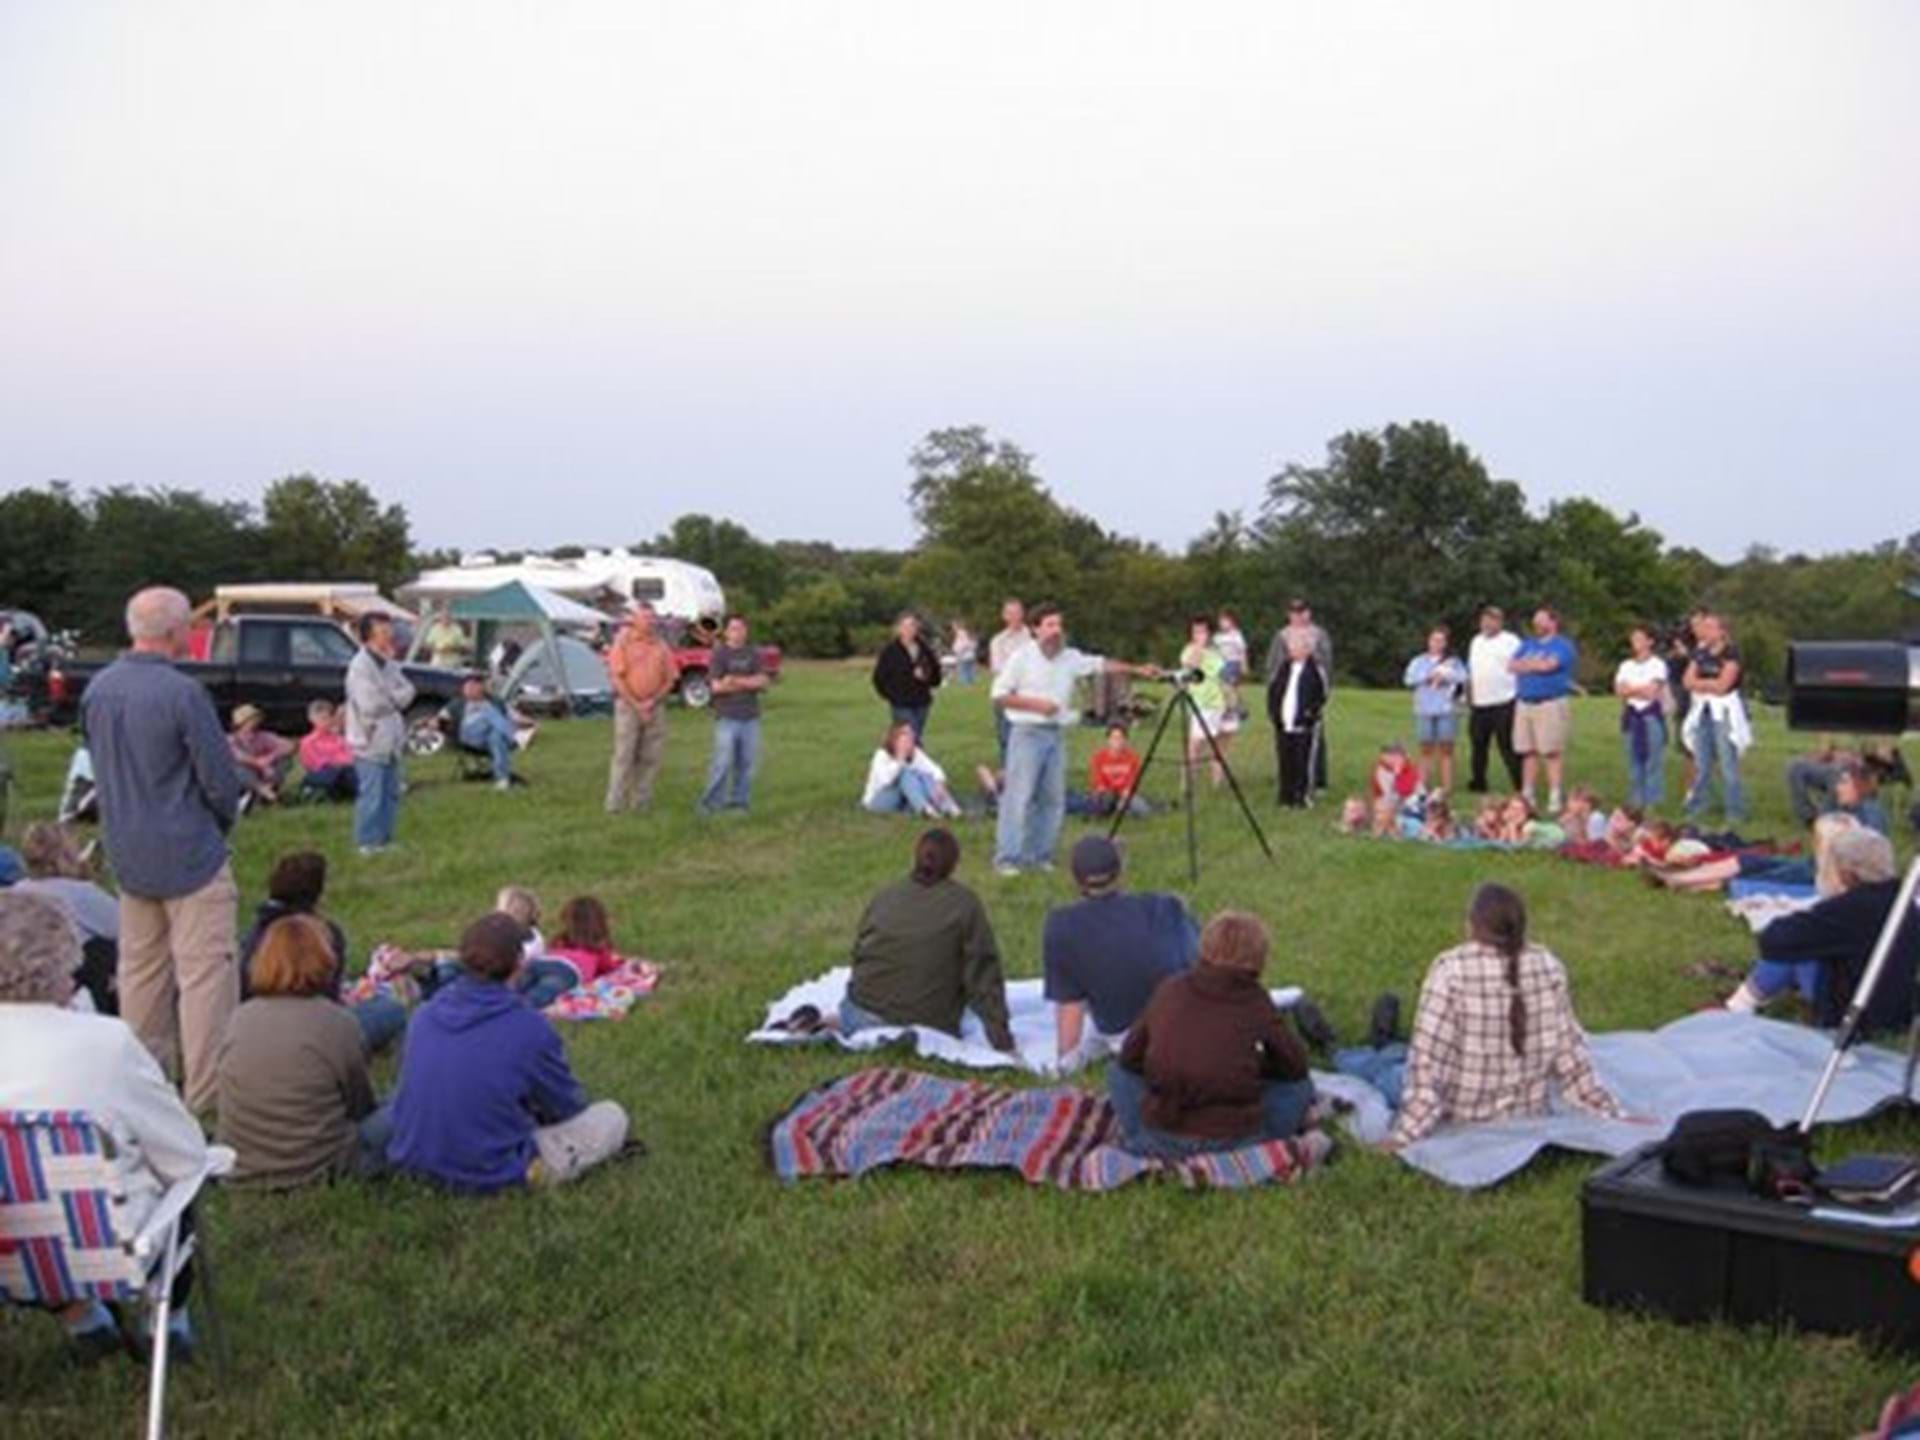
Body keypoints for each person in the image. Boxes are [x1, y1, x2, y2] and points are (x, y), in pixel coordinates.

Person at [0, 891, 211, 1362]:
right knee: (182, 1185)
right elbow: (184, 1154)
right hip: (113, 1250)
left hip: (7, 1254)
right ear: (60, 963)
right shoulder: (105, 1042)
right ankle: (168, 1324)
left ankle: (84, 1320)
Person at [80, 585, 243, 1115]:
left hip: (129, 850)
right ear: (176, 632)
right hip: (189, 853)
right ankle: (205, 1096)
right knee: (204, 978)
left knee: (141, 976)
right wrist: (221, 825)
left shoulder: (98, 690)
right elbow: (218, 778)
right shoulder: (181, 694)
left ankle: (144, 1089)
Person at [1338, 884, 1623, 1149]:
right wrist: (1606, 1109)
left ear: (1471, 925)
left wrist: (1403, 1135)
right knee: (1403, 1056)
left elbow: (1428, 1063)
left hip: (1462, 1107)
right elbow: (1569, 1051)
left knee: (1384, 1071)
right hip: (1525, 1106)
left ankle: (1337, 1046)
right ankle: (1385, 1040)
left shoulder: (1451, 970)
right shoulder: (1548, 964)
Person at [388, 911, 631, 1193]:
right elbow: (566, 1106)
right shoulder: (529, 1026)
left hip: (411, 1160)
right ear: (519, 964)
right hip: (490, 1173)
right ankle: (531, 1170)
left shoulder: (423, 1015)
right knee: (612, 1116)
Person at [1108, 910, 1315, 1157]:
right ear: (1259, 958)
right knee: (1300, 1087)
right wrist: (1256, 1066)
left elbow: (1130, 1058)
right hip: (1235, 1141)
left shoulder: (1170, 988)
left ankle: (1141, 1139)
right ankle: (1258, 1149)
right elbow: (1295, 1067)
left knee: (1118, 1072)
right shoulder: (1255, 1002)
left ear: (1203, 948)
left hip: (1163, 1131)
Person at [217, 913, 388, 1188]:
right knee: (404, 1109)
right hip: (316, 1167)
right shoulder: (337, 1022)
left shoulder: (239, 1018)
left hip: (242, 1166)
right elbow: (360, 1106)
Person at [991, 605, 1150, 876]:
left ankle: (1039, 855)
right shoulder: (1022, 658)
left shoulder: (1069, 657)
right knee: (1019, 798)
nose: (1056, 631)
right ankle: (1007, 858)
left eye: (1059, 625)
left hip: (1056, 734)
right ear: (1036, 629)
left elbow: (1101, 664)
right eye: (1050, 625)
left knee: (1053, 799)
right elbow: (999, 695)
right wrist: (1036, 705)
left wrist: (1137, 669)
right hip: (1027, 733)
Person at [1721, 828, 1916, 1031]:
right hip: (1901, 1008)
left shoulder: (1847, 910)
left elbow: (1773, 941)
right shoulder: (1905, 899)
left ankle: (1740, 1004)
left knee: (1796, 945)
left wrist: (1821, 905)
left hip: (1855, 1014)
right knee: (1805, 938)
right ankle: (1741, 1002)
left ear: (1846, 872)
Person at [836, 828, 1014, 1051]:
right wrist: (1001, 1037)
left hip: (860, 1017)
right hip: (930, 1026)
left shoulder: (885, 896)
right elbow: (983, 973)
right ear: (953, 864)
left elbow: (860, 953)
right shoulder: (964, 904)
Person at [1043, 835, 1196, 1069]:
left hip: (1127, 1034)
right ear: (1121, 871)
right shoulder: (1165, 906)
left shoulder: (1062, 926)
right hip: (1187, 1020)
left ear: (1075, 879)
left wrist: (1065, 1062)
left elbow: (1070, 1005)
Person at [237, 851, 407, 1052]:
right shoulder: (325, 934)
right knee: (391, 1008)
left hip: (258, 1031)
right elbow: (329, 1000)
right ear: (318, 893)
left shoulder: (251, 935)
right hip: (315, 1034)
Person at [13, 821, 120, 1013]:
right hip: (71, 978)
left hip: (24, 974)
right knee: (105, 950)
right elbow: (124, 927)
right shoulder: (81, 893)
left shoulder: (18, 891)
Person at [345, 611, 416, 854]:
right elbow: (370, 704)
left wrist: (392, 696)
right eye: (382, 631)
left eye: (389, 629)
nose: (389, 634)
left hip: (392, 738)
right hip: (370, 738)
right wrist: (395, 698)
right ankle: (366, 842)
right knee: (372, 794)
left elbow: (409, 691)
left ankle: (385, 839)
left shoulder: (390, 664)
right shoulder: (359, 667)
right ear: (369, 636)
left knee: (390, 793)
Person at [604, 601, 678, 815]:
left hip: (655, 707)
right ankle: (614, 804)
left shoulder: (661, 645)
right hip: (628, 706)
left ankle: (641, 803)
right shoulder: (623, 642)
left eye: (652, 617)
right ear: (634, 619)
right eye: (645, 617)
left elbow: (670, 679)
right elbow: (617, 677)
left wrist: (653, 702)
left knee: (650, 757)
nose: (650, 621)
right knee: (624, 755)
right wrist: (637, 704)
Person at [1682, 610, 1749, 824]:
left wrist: (1703, 685)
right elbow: (1687, 681)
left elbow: (1723, 685)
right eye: (1705, 627)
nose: (1705, 632)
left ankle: (1735, 811)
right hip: (1703, 711)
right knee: (1702, 762)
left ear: (1721, 631)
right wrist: (1707, 685)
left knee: (1728, 764)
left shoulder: (1731, 653)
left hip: (1724, 713)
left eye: (1711, 627)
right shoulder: (1700, 653)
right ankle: (1699, 806)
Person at [1508, 606, 1577, 813]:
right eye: (1535, 620)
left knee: (1551, 751)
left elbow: (1550, 666)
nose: (1536, 624)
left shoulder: (1563, 646)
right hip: (1525, 703)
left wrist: (1529, 665)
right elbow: (1512, 665)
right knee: (1527, 750)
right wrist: (1534, 664)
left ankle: (1555, 794)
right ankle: (1527, 793)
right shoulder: (1527, 644)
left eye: (1541, 620)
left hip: (1549, 703)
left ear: (1553, 622)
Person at [698, 614, 769, 815]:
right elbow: (716, 687)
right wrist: (747, 682)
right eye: (734, 628)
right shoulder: (720, 654)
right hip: (727, 717)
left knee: (746, 763)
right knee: (722, 763)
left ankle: (739, 803)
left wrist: (734, 681)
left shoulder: (753, 654)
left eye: (741, 628)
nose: (738, 633)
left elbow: (763, 682)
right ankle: (710, 804)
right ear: (727, 632)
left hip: (750, 717)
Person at [1265, 599, 1334, 794]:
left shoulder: (1319, 635)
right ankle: (1288, 780)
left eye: (1301, 612)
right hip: (1287, 688)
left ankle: (1317, 778)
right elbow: (1273, 663)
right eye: (1293, 612)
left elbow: (1327, 663)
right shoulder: (1282, 635)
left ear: (1308, 613)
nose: (1297, 616)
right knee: (1285, 738)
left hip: (1309, 689)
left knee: (1314, 739)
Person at [1466, 605, 1524, 793]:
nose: (1487, 623)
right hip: (1480, 702)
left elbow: (1521, 665)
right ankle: (1478, 781)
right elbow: (1473, 670)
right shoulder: (1476, 642)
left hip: (1504, 700)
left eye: (1492, 620)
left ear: (1500, 622)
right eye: (1485, 620)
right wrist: (1469, 695)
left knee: (1507, 745)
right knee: (1478, 745)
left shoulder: (1511, 641)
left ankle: (1519, 783)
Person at [1403, 625, 1467, 793]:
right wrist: (1427, 677)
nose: (1436, 644)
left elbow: (1463, 677)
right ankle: (1422, 785)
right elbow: (1409, 679)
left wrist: (1446, 676)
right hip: (1424, 709)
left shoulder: (1453, 662)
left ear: (1446, 643)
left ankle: (1447, 786)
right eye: (1434, 640)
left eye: (1440, 640)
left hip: (1446, 710)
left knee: (1446, 748)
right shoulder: (1419, 661)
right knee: (1425, 748)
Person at [1269, 629, 1328, 808]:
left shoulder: (1314, 670)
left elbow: (1321, 694)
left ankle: (1302, 796)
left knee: (1303, 760)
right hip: (1283, 722)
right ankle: (1285, 796)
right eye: (1290, 647)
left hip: (1304, 724)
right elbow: (1274, 691)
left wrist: (1309, 713)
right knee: (1285, 759)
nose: (1292, 650)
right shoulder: (1284, 668)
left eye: (1296, 646)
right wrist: (1274, 713)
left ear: (1307, 649)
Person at [1614, 624, 1670, 810]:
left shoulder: (1658, 665)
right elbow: (1620, 691)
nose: (1635, 642)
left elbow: (1652, 692)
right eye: (1633, 638)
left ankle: (1653, 801)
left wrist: (1632, 689)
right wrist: (1636, 690)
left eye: (1640, 638)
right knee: (1633, 761)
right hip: (1632, 716)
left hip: (1650, 715)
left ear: (1650, 641)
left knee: (1653, 761)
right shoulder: (1626, 665)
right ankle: (1636, 800)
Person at [861, 722, 962, 818]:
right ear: (895, 740)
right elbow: (886, 781)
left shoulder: (915, 753)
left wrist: (940, 783)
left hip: (903, 798)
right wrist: (900, 759)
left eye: (911, 734)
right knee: (904, 773)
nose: (911, 737)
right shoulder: (881, 755)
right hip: (878, 800)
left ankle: (950, 808)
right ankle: (924, 809)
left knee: (925, 775)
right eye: (905, 735)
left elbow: (935, 770)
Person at [871, 611, 943, 743]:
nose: (909, 629)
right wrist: (891, 696)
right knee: (910, 738)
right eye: (905, 626)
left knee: (915, 737)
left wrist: (926, 676)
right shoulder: (890, 651)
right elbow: (878, 677)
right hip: (901, 703)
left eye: (912, 626)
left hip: (921, 702)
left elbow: (936, 676)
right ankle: (911, 761)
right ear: (898, 629)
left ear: (917, 628)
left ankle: (906, 761)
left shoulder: (925, 649)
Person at [1178, 615, 1230, 786]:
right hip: (1201, 703)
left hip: (1217, 703)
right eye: (1196, 631)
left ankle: (1217, 781)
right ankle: (1188, 781)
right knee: (1195, 743)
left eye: (1203, 631)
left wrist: (1231, 699)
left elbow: (1222, 677)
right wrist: (1198, 647)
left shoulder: (1215, 653)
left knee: (1218, 744)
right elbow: (1189, 666)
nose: (1199, 635)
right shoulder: (1189, 650)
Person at [444, 673, 519, 790]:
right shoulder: (457, 703)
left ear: (482, 687)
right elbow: (440, 718)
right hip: (470, 737)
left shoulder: (496, 701)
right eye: (468, 686)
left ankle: (502, 779)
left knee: (496, 736)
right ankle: (513, 737)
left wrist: (533, 724)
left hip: (488, 739)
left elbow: (515, 717)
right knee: (488, 713)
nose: (470, 689)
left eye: (475, 685)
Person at [987, 597, 1031, 758]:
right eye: (1010, 613)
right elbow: (998, 669)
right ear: (1004, 616)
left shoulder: (1032, 639)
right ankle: (1009, 773)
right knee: (1006, 737)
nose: (1014, 617)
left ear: (1023, 614)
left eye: (1017, 613)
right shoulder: (997, 641)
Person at [228, 703, 295, 807]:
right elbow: (237, 755)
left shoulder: (263, 736)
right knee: (237, 769)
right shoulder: (231, 739)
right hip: (246, 775)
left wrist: (270, 757)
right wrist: (260, 764)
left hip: (265, 774)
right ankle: (266, 793)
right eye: (252, 719)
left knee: (285, 760)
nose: (256, 722)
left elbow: (289, 745)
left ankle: (267, 790)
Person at [297, 699, 359, 801]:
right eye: (321, 718)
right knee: (335, 773)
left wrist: (344, 763)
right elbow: (315, 763)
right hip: (321, 772)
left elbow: (349, 756)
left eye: (327, 718)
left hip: (342, 770)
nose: (325, 722)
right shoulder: (308, 741)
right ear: (312, 719)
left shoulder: (338, 739)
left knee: (352, 771)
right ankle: (314, 790)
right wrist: (336, 763)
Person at [1087, 723, 1150, 817]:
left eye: (1120, 738)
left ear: (1125, 740)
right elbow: (1098, 782)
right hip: (1106, 793)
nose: (1117, 741)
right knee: (1101, 804)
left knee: (1142, 810)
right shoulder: (1098, 757)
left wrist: (1126, 794)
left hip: (1124, 794)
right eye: (1114, 738)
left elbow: (1133, 780)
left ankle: (1120, 810)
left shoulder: (1133, 758)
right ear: (1108, 740)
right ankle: (1113, 810)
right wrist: (1105, 792)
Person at [1215, 609, 1249, 728]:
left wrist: (1244, 664)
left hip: (1233, 663)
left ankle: (1231, 710)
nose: (1222, 624)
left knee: (1228, 687)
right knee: (1231, 688)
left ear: (1232, 622)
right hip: (1221, 664)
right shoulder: (1218, 637)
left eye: (1225, 621)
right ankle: (1241, 710)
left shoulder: (1236, 635)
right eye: (1221, 621)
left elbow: (1242, 650)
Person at [423, 605, 470, 671]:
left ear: (451, 617)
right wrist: (436, 648)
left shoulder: (457, 630)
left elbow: (463, 647)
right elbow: (427, 645)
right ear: (440, 618)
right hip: (438, 663)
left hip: (453, 664)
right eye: (444, 617)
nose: (446, 619)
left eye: (448, 617)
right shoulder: (434, 629)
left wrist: (452, 648)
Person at [951, 621, 978, 686]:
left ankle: (967, 685)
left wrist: (959, 651)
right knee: (969, 670)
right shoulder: (962, 633)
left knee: (964, 671)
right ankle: (970, 685)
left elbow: (965, 644)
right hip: (968, 655)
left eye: (954, 626)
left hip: (964, 656)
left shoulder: (961, 633)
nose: (953, 628)